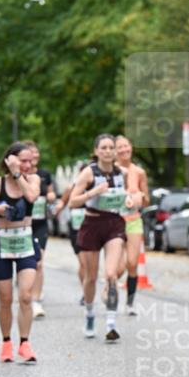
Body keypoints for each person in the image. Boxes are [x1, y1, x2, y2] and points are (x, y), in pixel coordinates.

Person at [0, 142, 42, 363]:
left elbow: (32, 197)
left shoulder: (33, 180)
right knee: (5, 299)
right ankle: (6, 343)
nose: (27, 164)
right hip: (2, 243)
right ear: (9, 159)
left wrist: (17, 175)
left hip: (25, 241)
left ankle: (25, 343)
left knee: (25, 296)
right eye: (22, 160)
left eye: (29, 161)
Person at [68, 135, 128, 342]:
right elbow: (72, 202)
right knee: (90, 277)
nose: (108, 151)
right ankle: (90, 314)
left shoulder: (122, 173)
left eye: (111, 147)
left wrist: (130, 200)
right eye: (104, 147)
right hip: (91, 224)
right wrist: (93, 192)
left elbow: (132, 197)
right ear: (96, 150)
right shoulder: (88, 172)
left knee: (111, 274)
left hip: (114, 223)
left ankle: (111, 322)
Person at [114, 135, 150, 316]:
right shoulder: (110, 170)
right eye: (119, 147)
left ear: (131, 148)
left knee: (132, 263)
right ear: (115, 150)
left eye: (125, 146)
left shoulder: (139, 172)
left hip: (134, 220)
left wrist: (141, 198)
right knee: (117, 268)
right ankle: (109, 288)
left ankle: (130, 303)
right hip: (115, 221)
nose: (123, 150)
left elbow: (147, 199)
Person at [23, 141, 57, 319]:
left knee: (38, 262)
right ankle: (25, 291)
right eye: (31, 153)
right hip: (22, 225)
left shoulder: (44, 175)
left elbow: (51, 194)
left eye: (36, 153)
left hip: (40, 224)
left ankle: (36, 301)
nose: (34, 156)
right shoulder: (19, 176)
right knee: (25, 264)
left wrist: (51, 197)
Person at [53, 163, 89, 306]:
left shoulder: (95, 189)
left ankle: (88, 290)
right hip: (76, 230)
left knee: (89, 263)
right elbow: (62, 203)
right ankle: (85, 292)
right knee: (82, 263)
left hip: (91, 229)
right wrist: (56, 210)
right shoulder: (71, 188)